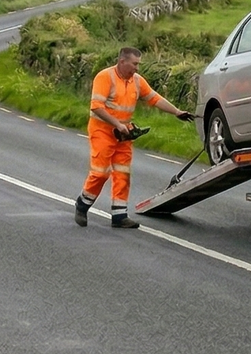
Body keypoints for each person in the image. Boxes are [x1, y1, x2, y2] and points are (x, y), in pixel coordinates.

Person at [75, 46, 192, 229]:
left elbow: (154, 98)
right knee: (100, 173)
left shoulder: (137, 81)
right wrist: (117, 124)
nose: (137, 68)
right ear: (122, 62)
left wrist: (177, 112)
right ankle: (82, 205)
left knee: (123, 173)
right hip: (102, 132)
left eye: (138, 64)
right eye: (134, 64)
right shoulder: (105, 77)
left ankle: (119, 216)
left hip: (124, 135)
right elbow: (96, 107)